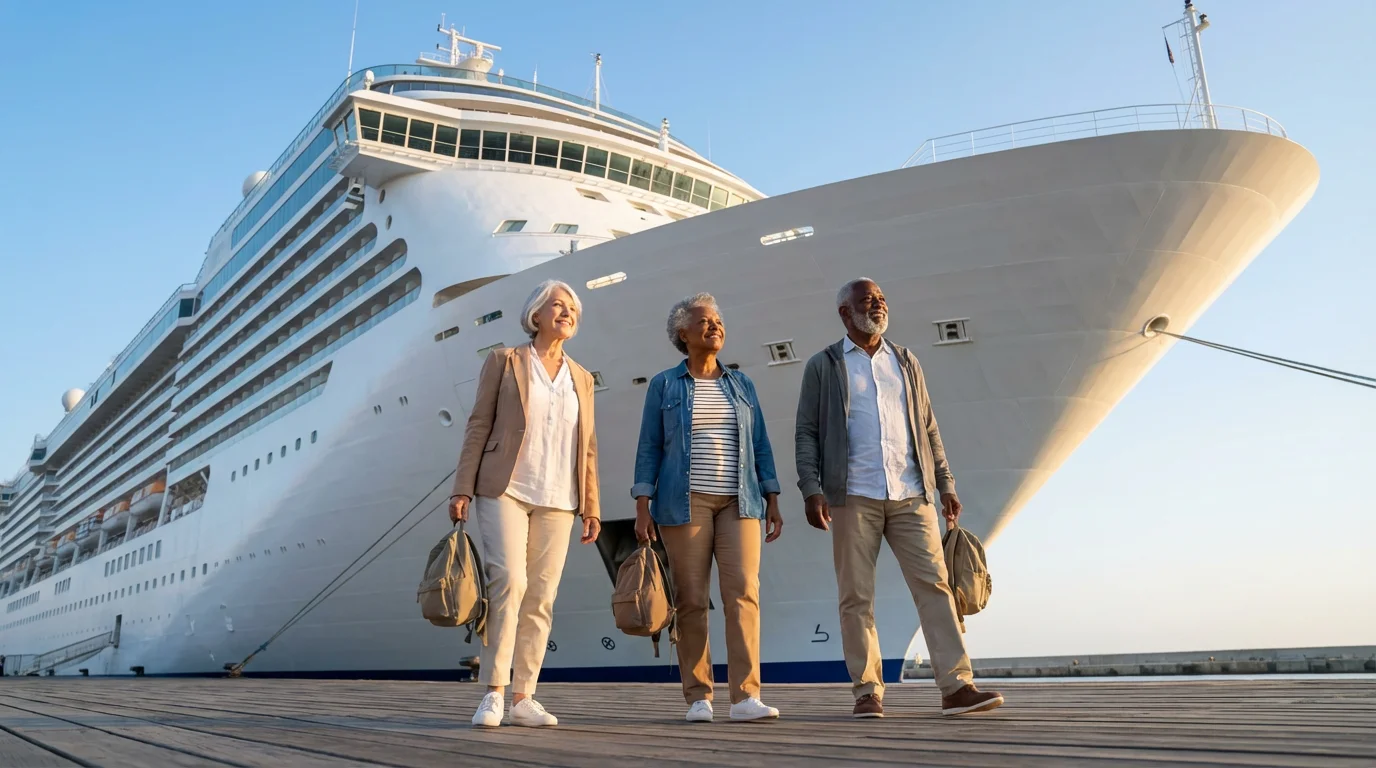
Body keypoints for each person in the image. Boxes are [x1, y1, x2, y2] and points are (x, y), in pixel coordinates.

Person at [794, 278, 1003, 718]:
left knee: (936, 587)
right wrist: (811, 489)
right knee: (856, 595)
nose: (878, 304)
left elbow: (928, 427)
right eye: (867, 300)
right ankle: (867, 691)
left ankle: (956, 686)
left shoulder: (906, 361)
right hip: (852, 495)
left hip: (912, 493)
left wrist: (945, 483)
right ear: (845, 313)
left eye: (881, 298)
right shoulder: (823, 365)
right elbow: (807, 432)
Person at [448, 279, 602, 728]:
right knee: (510, 582)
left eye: (572, 308)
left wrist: (591, 505)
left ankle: (523, 697)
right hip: (506, 487)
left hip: (560, 496)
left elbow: (587, 445)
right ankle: (493, 692)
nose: (567, 313)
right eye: (558, 305)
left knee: (541, 596)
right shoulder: (504, 361)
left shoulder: (582, 378)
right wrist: (462, 487)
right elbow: (479, 425)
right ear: (536, 315)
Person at [632, 293, 784, 723]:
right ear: (683, 333)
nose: (715, 326)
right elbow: (650, 446)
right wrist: (642, 503)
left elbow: (760, 446)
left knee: (743, 595)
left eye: (718, 320)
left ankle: (745, 697)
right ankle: (699, 696)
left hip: (741, 500)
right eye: (704, 321)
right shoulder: (664, 385)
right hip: (684, 502)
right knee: (692, 599)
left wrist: (772, 496)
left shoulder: (741, 384)